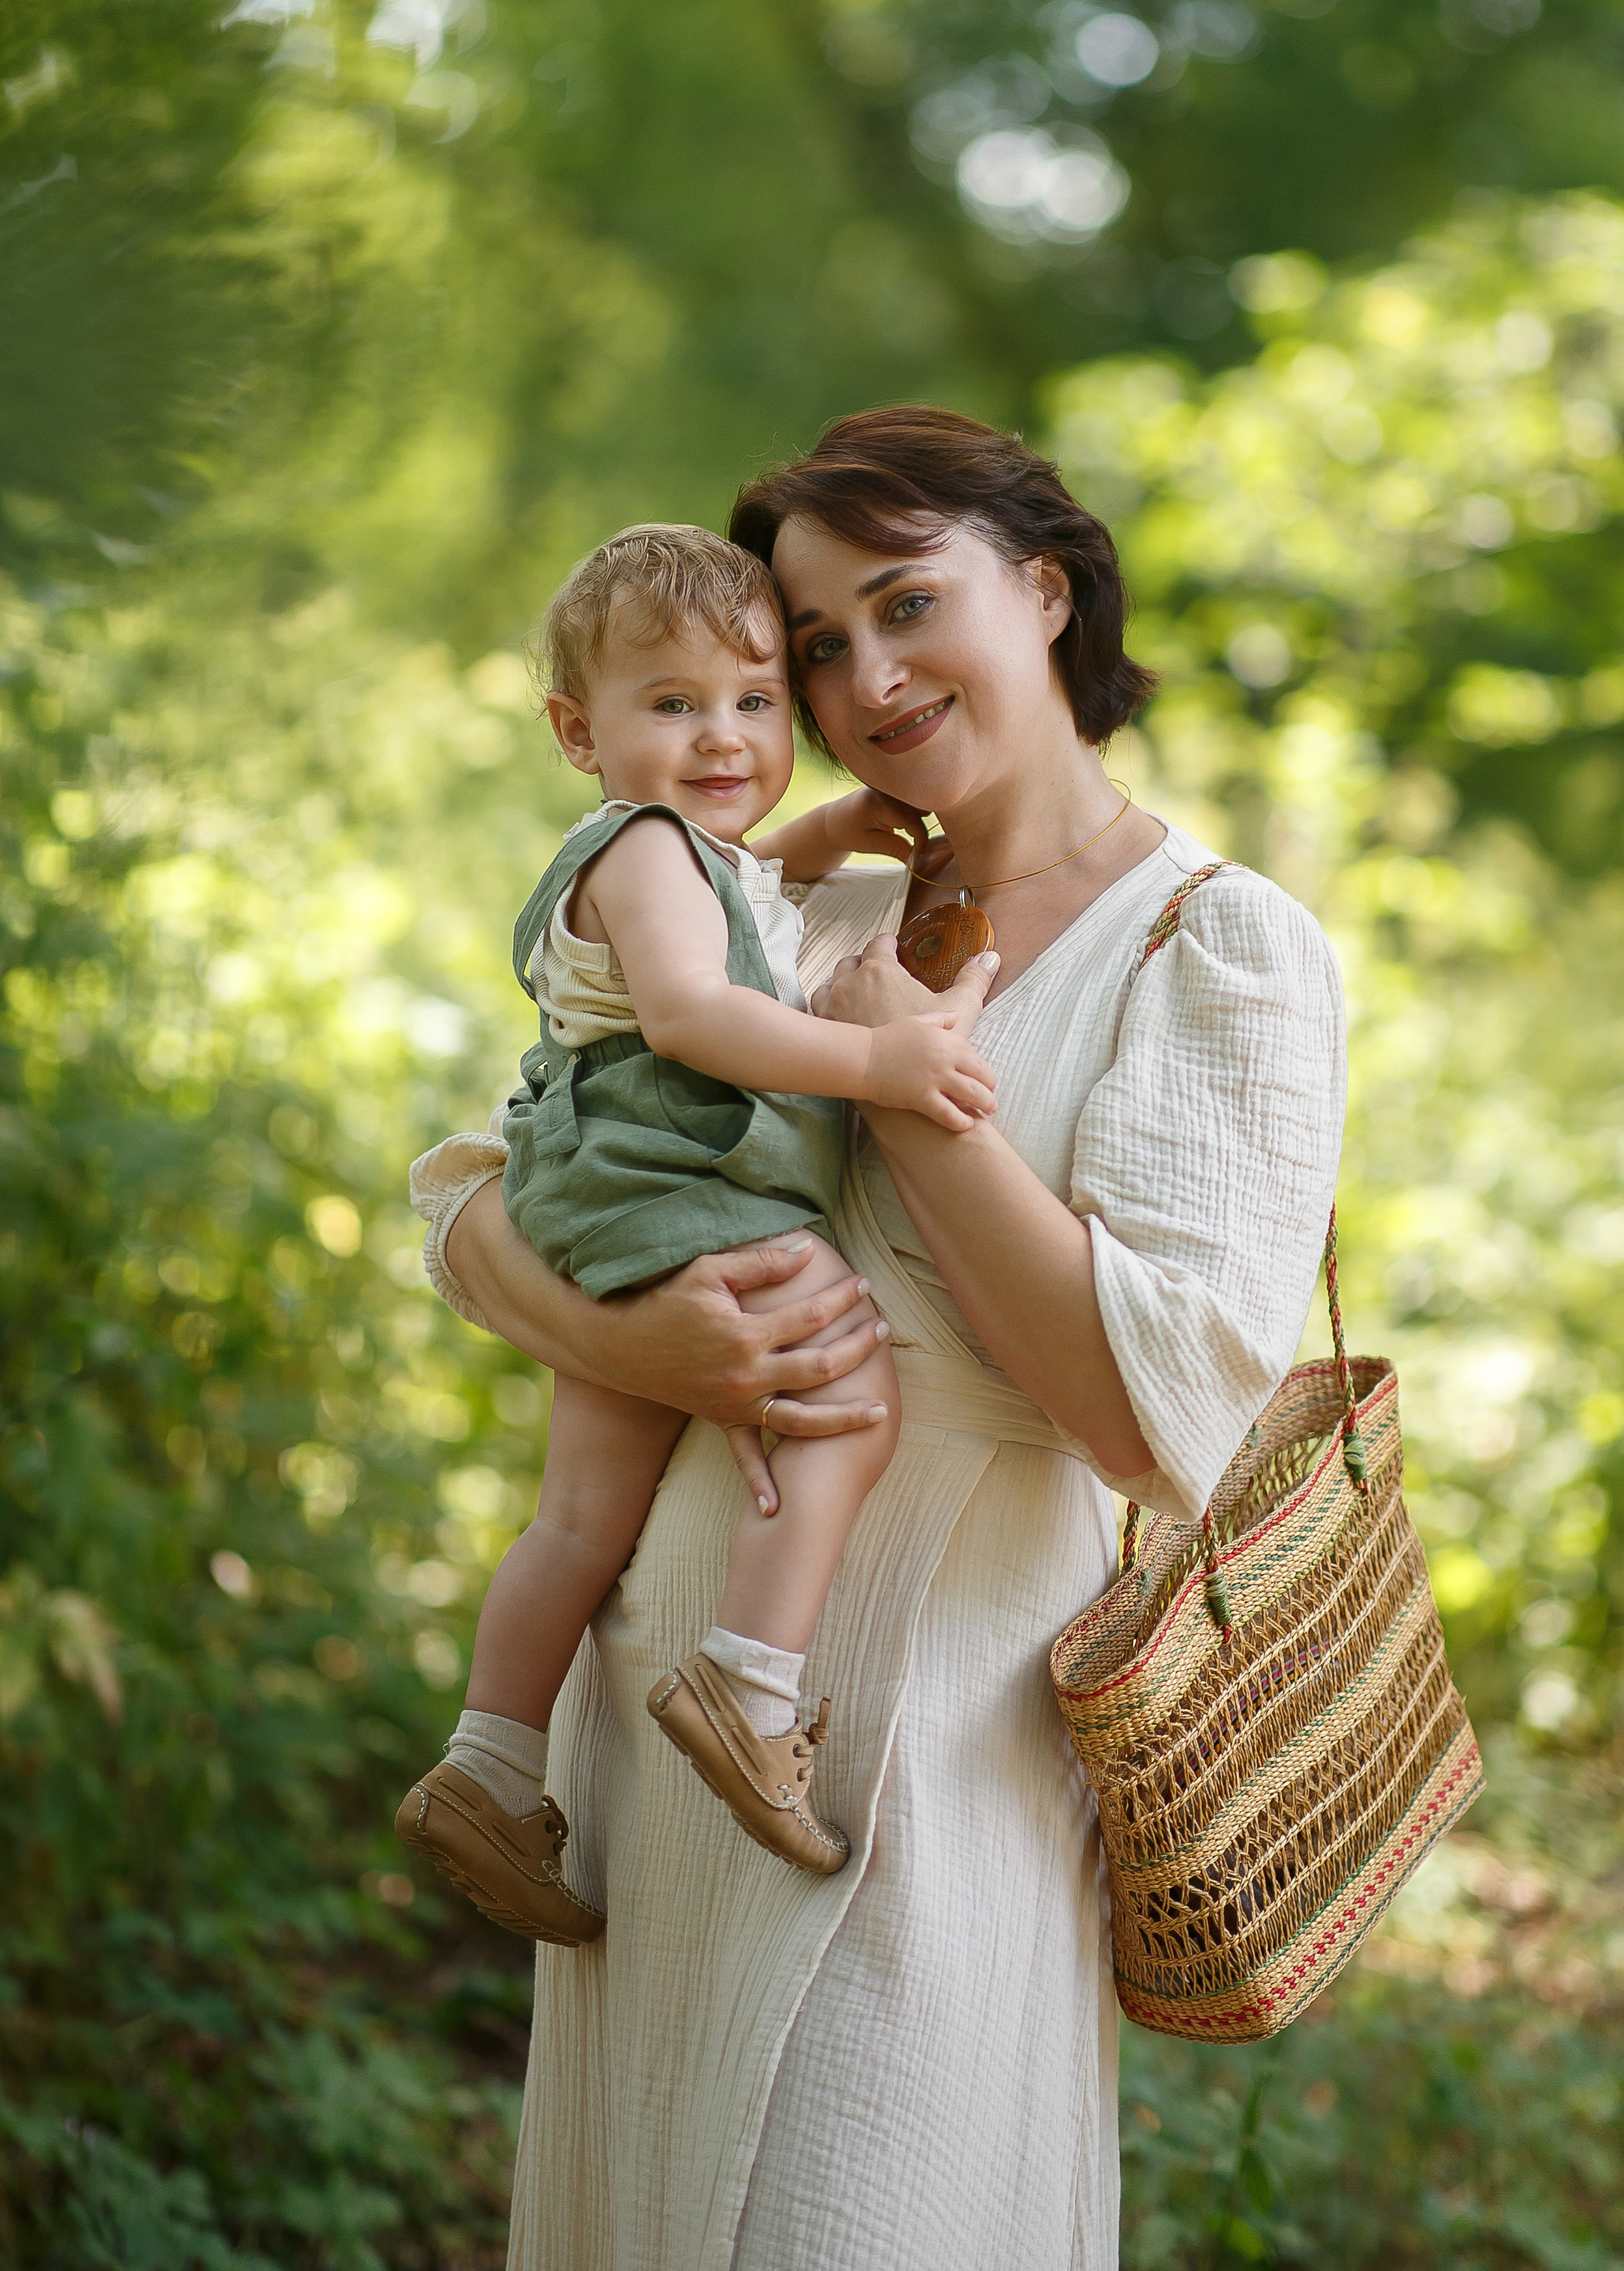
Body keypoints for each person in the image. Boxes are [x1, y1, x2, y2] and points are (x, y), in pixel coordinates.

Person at [411, 407, 1347, 2270]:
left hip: (933, 1735)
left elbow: (1148, 1412)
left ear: (1049, 590)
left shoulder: (1220, 945)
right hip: (662, 1712)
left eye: (910, 601)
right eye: (819, 641)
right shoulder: (773, 887)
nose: (867, 674)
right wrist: (672, 1350)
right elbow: (471, 1199)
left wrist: (911, 1086)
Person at [397, 525, 998, 1937]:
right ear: (577, 730)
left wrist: (818, 837)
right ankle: (748, 1681)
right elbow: (693, 1010)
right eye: (670, 706)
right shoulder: (653, 847)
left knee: (578, 1514)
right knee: (844, 1399)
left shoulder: (660, 849)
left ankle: (488, 1760)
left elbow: (719, 906)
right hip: (680, 1181)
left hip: (598, 1191)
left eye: (753, 701)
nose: (722, 735)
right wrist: (880, 1067)